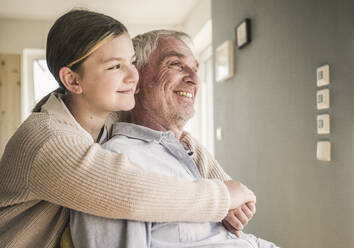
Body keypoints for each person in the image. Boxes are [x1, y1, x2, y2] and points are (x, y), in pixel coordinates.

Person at [0, 10, 254, 248]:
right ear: (73, 80)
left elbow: (169, 134)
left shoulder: (103, 112)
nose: (134, 76)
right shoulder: (47, 140)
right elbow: (135, 193)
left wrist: (226, 185)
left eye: (131, 62)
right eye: (115, 66)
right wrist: (222, 196)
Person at [69, 30, 279, 247]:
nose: (194, 79)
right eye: (176, 64)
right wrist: (225, 196)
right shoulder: (119, 160)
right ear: (135, 81)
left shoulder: (187, 153)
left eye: (195, 69)